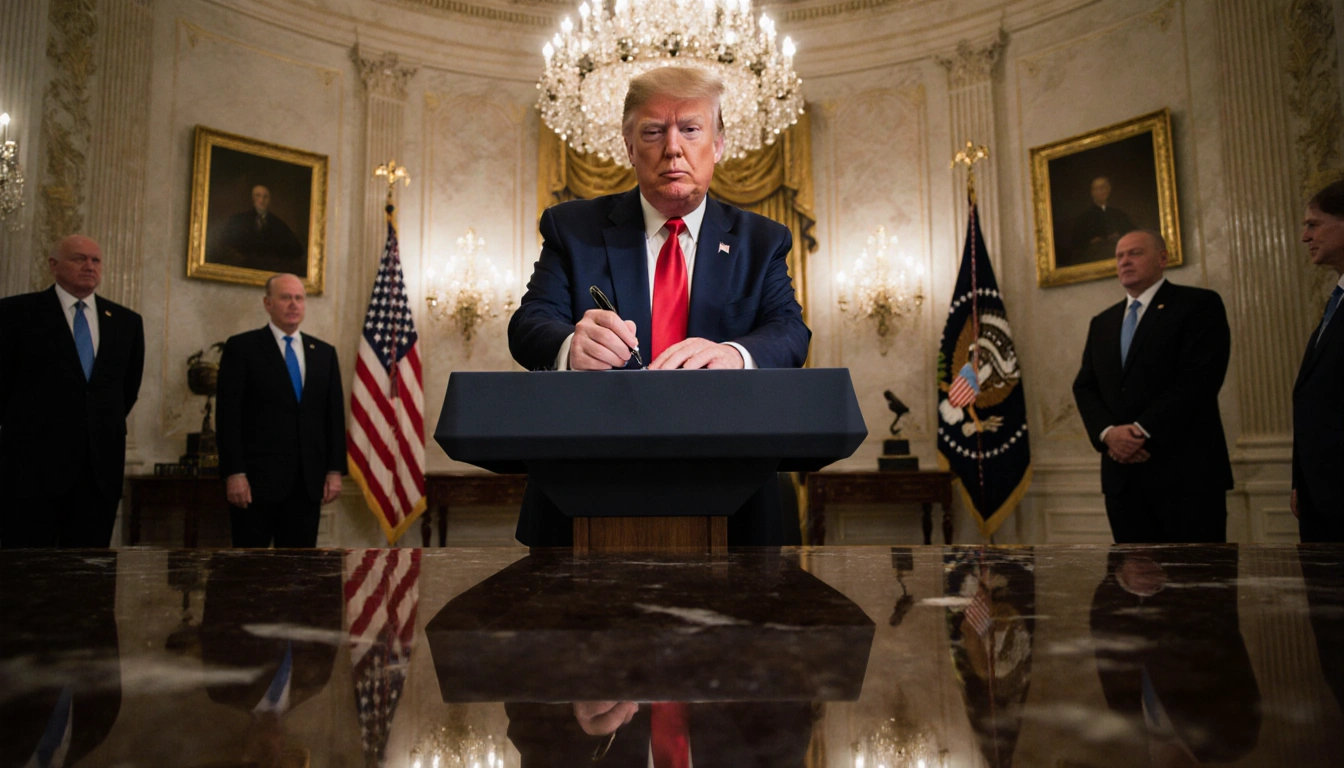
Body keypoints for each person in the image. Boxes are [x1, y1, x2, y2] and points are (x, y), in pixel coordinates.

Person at [506, 66, 810, 547]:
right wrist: (570, 345)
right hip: (586, 490)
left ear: (719, 144)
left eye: (691, 129)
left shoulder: (761, 241)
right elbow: (528, 325)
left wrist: (735, 354)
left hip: (734, 496)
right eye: (653, 131)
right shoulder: (573, 229)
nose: (673, 147)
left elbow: (790, 333)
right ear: (629, 147)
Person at [1072, 229, 1233, 543]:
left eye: (1135, 253)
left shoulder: (1198, 305)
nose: (1125, 261)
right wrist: (1109, 434)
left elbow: (1199, 380)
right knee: (1128, 588)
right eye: (1119, 256)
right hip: (1122, 481)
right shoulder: (1102, 322)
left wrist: (1140, 431)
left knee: (1198, 587)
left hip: (1186, 477)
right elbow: (1085, 386)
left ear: (1163, 258)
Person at [0, 234, 145, 548]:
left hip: (98, 474)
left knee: (90, 580)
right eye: (79, 259)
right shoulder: (15, 314)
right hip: (31, 472)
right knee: (27, 578)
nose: (89, 266)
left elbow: (126, 391)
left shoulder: (126, 322)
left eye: (95, 260)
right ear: (54, 265)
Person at [215, 273, 346, 548]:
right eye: (286, 297)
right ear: (268, 303)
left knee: (300, 574)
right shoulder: (243, 348)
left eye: (299, 298)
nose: (293, 304)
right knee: (250, 572)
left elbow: (333, 418)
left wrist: (334, 470)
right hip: (255, 484)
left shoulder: (324, 353)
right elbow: (229, 417)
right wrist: (234, 473)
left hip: (307, 485)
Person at [1292, 179, 1344, 543]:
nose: (1305, 236)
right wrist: (1301, 480)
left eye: (1314, 224)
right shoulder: (1336, 298)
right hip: (1321, 497)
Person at [211, 184, 307, 274]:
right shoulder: (238, 219)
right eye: (258, 195)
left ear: (270, 200)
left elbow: (296, 251)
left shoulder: (278, 224)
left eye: (265, 197)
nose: (261, 200)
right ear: (252, 198)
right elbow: (225, 244)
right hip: (242, 271)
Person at [1069, 176, 1135, 266]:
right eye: (1097, 189)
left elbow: (1132, 233)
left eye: (1103, 188)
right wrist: (1091, 242)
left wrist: (1119, 236)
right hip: (1094, 258)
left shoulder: (1119, 214)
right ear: (1092, 192)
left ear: (1108, 191)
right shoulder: (1084, 217)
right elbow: (1076, 242)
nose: (1100, 191)